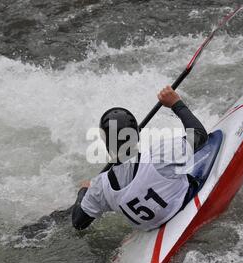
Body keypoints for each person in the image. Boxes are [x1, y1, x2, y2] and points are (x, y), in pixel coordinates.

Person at [72, 86, 208, 231]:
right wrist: (176, 103)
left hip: (154, 229)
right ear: (137, 134)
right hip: (186, 205)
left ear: (106, 143)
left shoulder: (101, 188)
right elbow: (200, 135)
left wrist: (84, 191)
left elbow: (79, 222)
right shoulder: (160, 154)